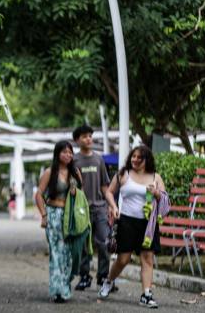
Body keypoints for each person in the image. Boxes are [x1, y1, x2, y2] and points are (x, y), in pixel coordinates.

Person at [99, 145, 166, 309]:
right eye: (133, 156)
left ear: (146, 160)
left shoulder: (155, 177)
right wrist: (114, 206)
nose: (135, 160)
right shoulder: (124, 174)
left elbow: (164, 198)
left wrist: (157, 194)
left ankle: (146, 294)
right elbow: (109, 192)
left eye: (139, 158)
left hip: (148, 223)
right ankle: (108, 281)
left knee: (147, 258)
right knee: (123, 259)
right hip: (127, 221)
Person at [35, 140, 82, 303]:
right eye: (64, 152)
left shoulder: (75, 172)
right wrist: (44, 215)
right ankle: (57, 291)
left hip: (70, 217)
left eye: (70, 152)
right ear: (57, 154)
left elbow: (81, 197)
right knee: (57, 252)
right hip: (54, 214)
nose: (68, 155)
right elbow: (39, 194)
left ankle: (64, 287)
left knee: (69, 253)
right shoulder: (50, 172)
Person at [72, 125, 112, 290]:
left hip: (100, 208)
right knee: (83, 245)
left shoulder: (98, 159)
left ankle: (103, 278)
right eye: (84, 136)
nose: (88, 139)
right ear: (77, 140)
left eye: (90, 136)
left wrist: (111, 205)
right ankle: (84, 276)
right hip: (81, 210)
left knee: (104, 243)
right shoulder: (74, 161)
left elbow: (104, 186)